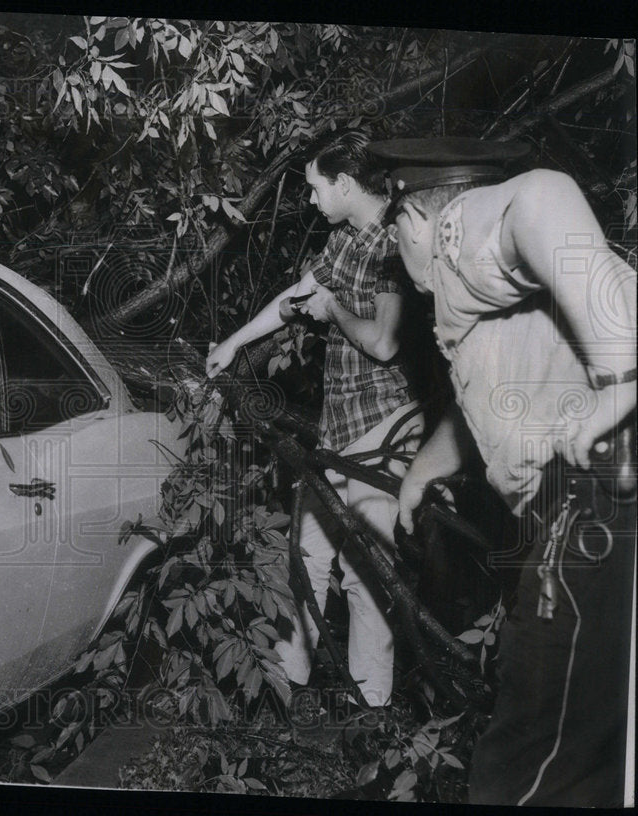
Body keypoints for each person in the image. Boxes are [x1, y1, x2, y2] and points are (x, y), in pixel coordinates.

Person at [370, 136, 637, 807]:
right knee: (594, 756)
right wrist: (419, 473)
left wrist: (621, 371)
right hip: (588, 502)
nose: (398, 260)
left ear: (414, 221)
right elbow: (482, 405)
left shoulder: (457, 237)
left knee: (529, 769)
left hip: (589, 494)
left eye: (394, 236)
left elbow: (542, 194)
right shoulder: (481, 302)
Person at [206, 129, 423, 709]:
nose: (309, 200)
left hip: (386, 424)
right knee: (305, 554)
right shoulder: (345, 240)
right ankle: (287, 682)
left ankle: (371, 705)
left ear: (345, 184)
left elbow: (382, 343)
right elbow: (299, 293)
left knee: (368, 573)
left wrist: (331, 311)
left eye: (314, 188)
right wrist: (233, 341)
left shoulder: (397, 243)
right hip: (338, 428)